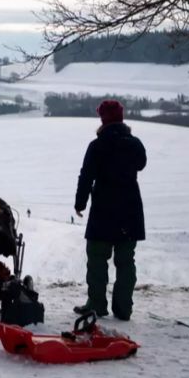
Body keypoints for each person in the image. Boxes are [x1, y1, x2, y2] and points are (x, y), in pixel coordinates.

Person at [74, 100, 146, 321]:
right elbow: (141, 164)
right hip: (129, 209)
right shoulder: (135, 144)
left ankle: (96, 304)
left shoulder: (97, 146)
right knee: (126, 261)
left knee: (97, 258)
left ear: (103, 119)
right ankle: (123, 308)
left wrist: (80, 203)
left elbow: (86, 176)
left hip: (103, 210)